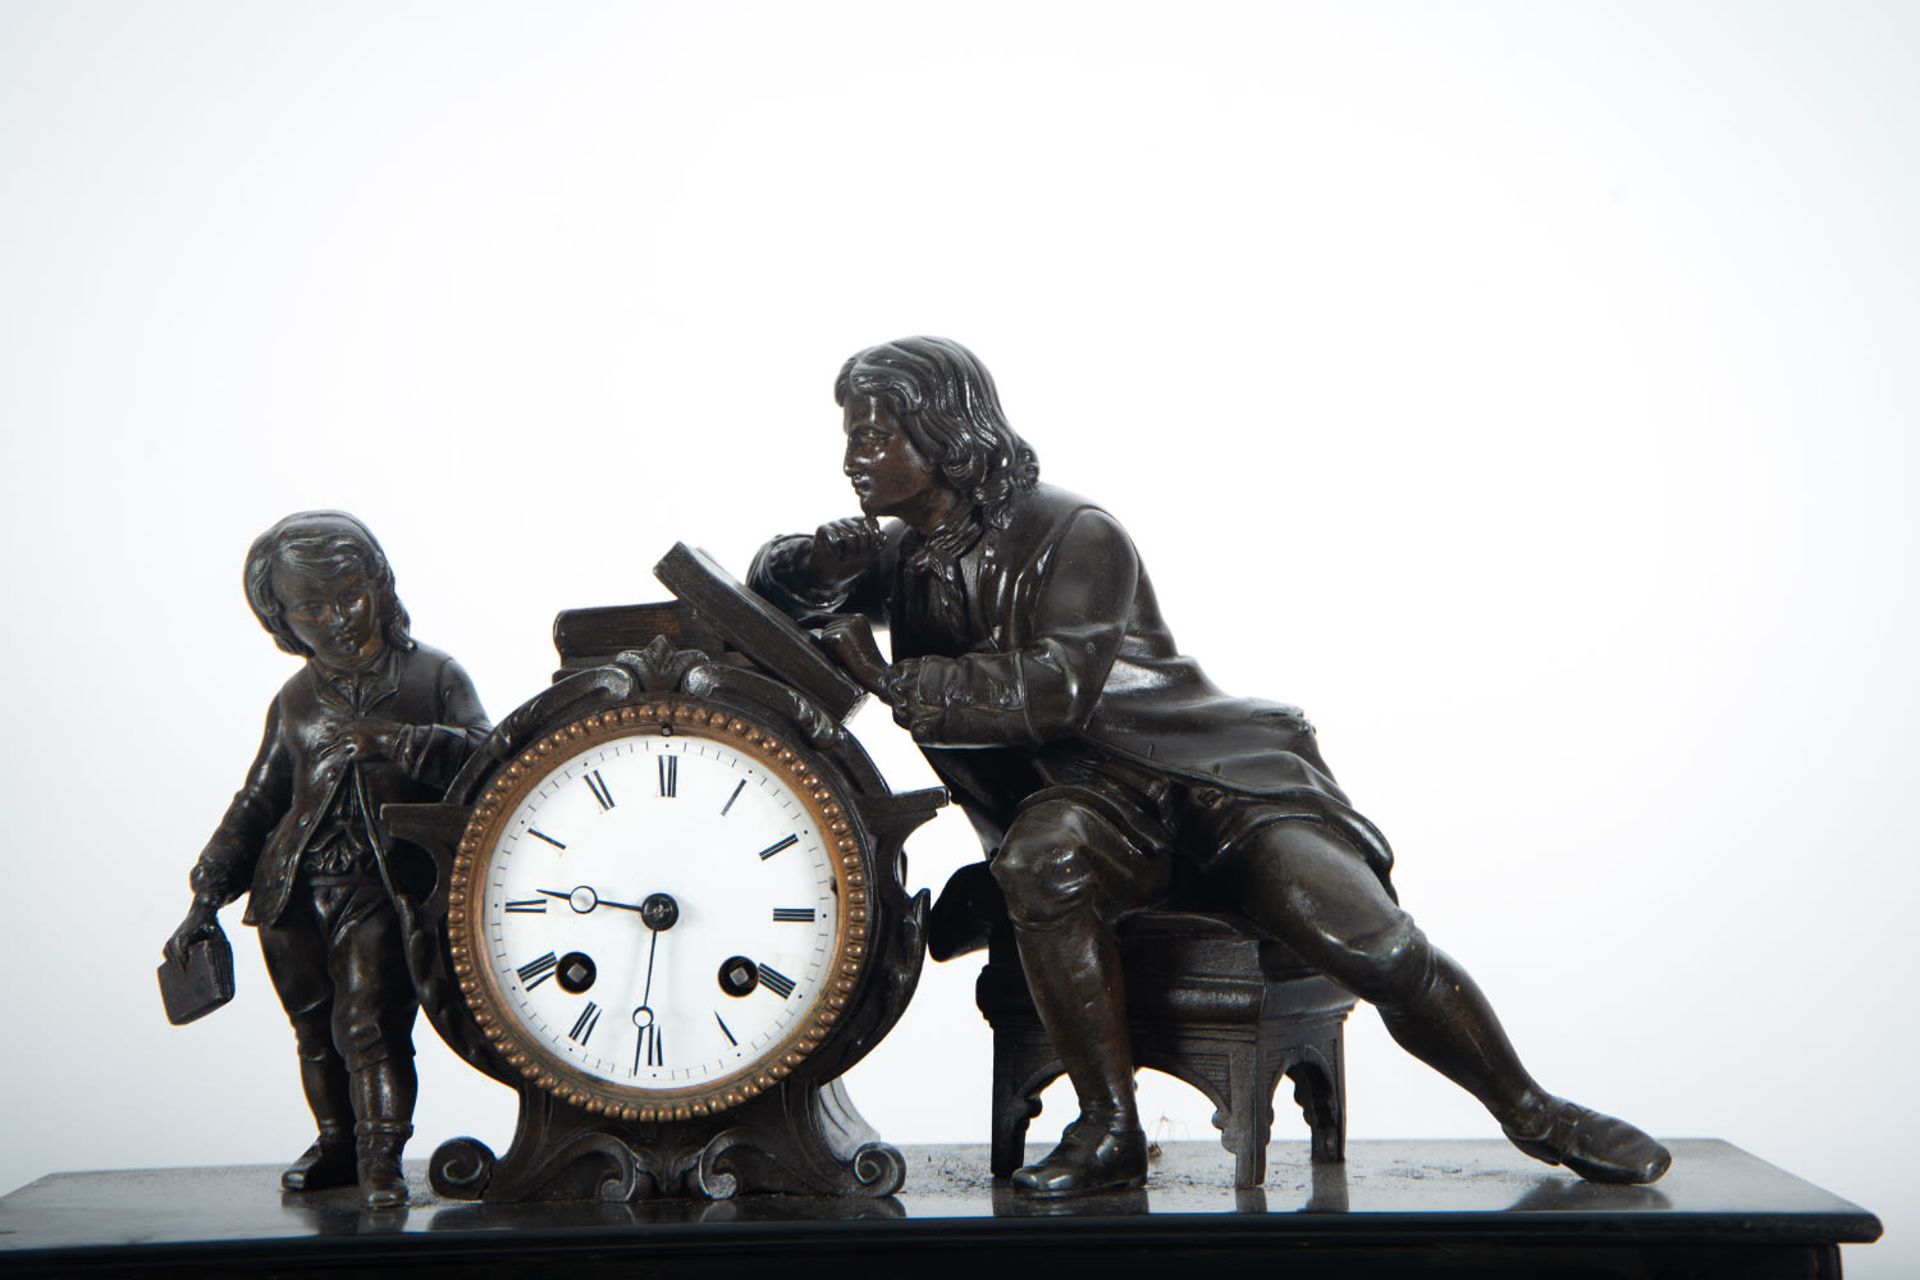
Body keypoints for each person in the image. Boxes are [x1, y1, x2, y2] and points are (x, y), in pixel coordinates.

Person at [750, 337, 1671, 1196]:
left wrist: (894, 679)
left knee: (1375, 948)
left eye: (874, 435)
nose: (853, 457)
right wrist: (809, 560)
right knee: (1040, 859)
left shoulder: (1075, 532)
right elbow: (773, 589)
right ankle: (1108, 1129)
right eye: (851, 436)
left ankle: (1532, 1108)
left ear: (943, 435)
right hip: (1089, 807)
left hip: (1207, 786)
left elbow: (1056, 690)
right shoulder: (906, 553)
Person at [164, 511, 489, 1208]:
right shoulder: (295, 699)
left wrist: (399, 742)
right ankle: (337, 1142)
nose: (337, 618)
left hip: (387, 883)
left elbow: (493, 763)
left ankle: (382, 1158)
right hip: (292, 890)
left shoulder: (432, 675)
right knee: (315, 1029)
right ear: (279, 616)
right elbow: (258, 799)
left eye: (350, 595)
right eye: (311, 606)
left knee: (370, 1023)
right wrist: (205, 893)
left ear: (380, 583)